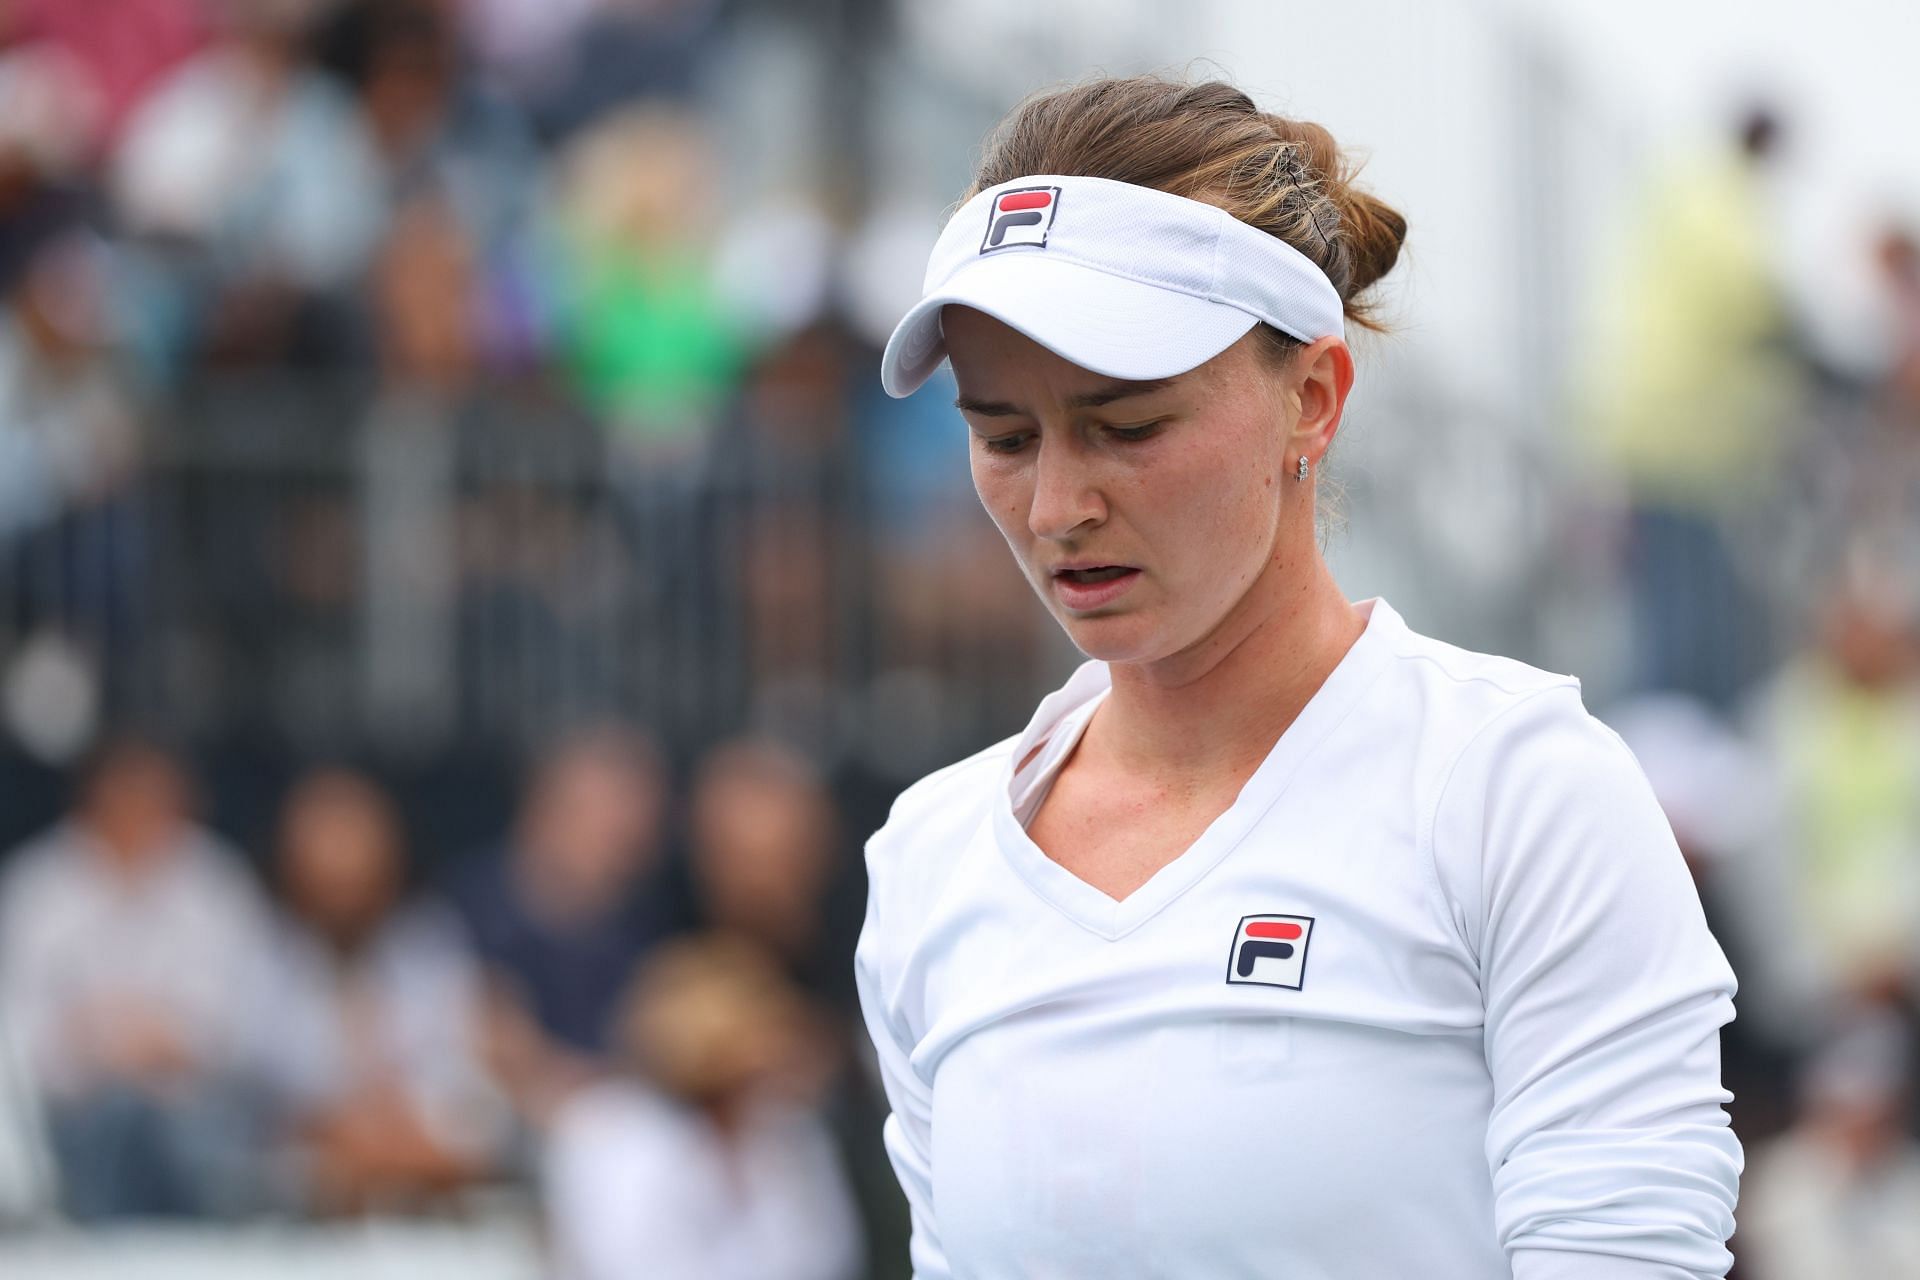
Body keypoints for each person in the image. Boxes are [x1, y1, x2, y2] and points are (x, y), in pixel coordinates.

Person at [854, 75, 1742, 1278]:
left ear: (1311, 399)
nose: (1058, 506)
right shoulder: (928, 858)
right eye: (1005, 437)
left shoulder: (1518, 791)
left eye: (1127, 426)